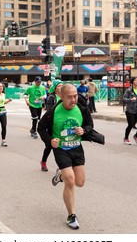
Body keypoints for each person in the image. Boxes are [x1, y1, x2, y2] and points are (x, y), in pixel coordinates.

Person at [38, 83, 95, 230]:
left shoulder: (82, 108)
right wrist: (50, 141)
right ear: (61, 97)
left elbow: (90, 125)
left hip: (77, 148)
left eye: (75, 96)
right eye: (69, 97)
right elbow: (41, 128)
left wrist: (84, 130)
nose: (73, 99)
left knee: (80, 182)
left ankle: (60, 176)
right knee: (70, 180)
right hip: (61, 149)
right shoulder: (53, 111)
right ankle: (71, 216)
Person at [40, 79, 63, 172]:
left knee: (61, 146)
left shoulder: (65, 96)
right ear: (55, 88)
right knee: (49, 146)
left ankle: (62, 166)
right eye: (59, 86)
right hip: (52, 125)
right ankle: (43, 161)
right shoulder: (51, 97)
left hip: (62, 125)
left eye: (62, 85)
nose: (61, 87)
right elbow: (49, 112)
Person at [123, 77, 137, 145]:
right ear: (132, 82)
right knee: (130, 125)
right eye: (136, 80)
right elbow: (124, 99)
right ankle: (126, 138)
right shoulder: (129, 90)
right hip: (130, 111)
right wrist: (130, 99)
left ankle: (136, 136)